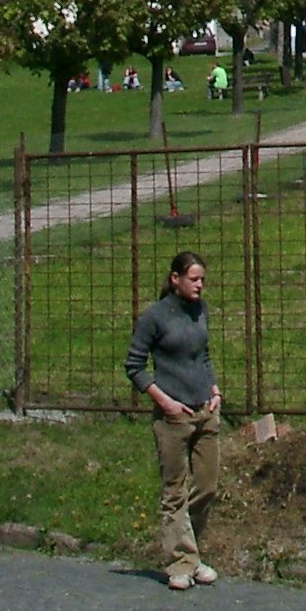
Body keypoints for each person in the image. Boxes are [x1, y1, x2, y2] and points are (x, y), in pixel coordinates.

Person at [126, 249, 222, 592]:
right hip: (173, 417)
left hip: (205, 412)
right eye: (193, 279)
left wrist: (214, 389)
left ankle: (191, 552)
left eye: (202, 280)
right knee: (174, 490)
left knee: (207, 486)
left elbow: (203, 355)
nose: (199, 286)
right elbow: (134, 366)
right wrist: (165, 402)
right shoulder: (154, 317)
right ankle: (181, 562)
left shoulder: (201, 310)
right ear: (175, 279)